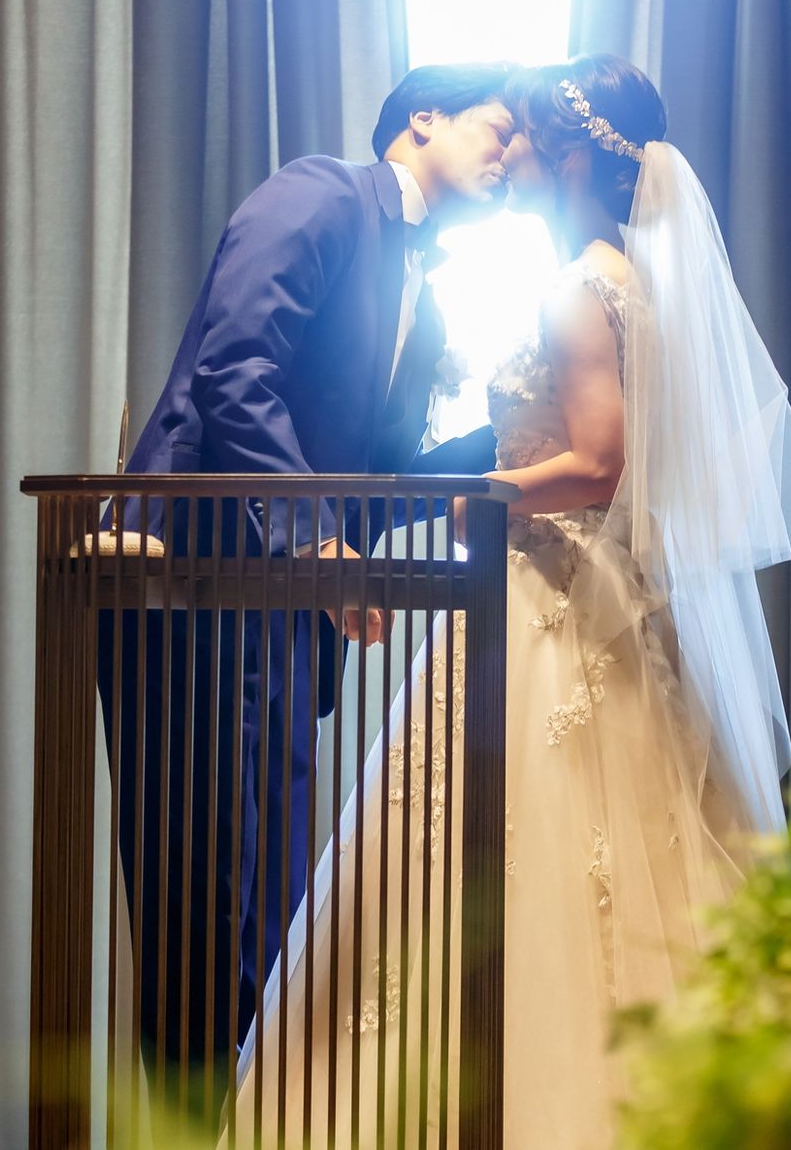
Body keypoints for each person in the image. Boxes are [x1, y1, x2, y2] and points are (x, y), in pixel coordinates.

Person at [230, 54, 791, 1146]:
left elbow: (601, 462)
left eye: (521, 139)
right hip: (594, 592)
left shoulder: (577, 288)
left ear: (567, 158)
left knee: (517, 845)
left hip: (549, 594)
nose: (507, 155)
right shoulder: (631, 281)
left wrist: (481, 494)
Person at [97, 62, 513, 1124]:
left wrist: (514, 450)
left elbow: (374, 479)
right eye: (498, 130)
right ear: (423, 118)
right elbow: (234, 370)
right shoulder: (321, 192)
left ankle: (253, 1127)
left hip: (285, 613)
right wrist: (314, 540)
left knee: (271, 909)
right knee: (199, 903)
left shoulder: (423, 291)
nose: (509, 157)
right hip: (193, 582)